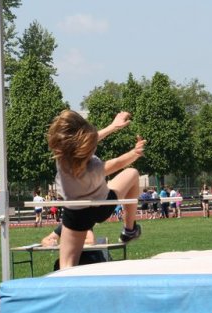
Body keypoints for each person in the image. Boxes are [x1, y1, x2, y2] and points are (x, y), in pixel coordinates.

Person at [47, 110, 144, 269]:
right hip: (102, 205)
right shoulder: (94, 167)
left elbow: (90, 140)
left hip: (76, 213)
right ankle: (129, 230)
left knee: (66, 266)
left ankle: (66, 291)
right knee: (132, 173)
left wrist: (113, 127)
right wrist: (134, 153)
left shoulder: (61, 157)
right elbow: (117, 164)